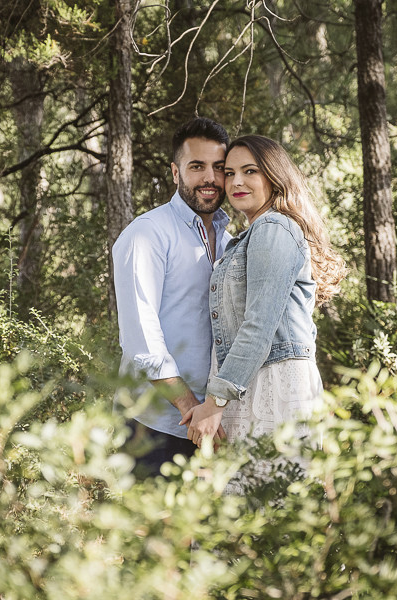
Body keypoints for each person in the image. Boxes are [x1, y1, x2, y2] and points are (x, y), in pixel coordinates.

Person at [180, 135, 346, 466]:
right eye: (229, 173)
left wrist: (214, 403)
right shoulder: (254, 235)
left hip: (275, 386)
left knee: (270, 506)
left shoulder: (273, 227)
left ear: (273, 176)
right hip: (250, 384)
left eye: (250, 171)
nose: (236, 181)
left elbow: (258, 327)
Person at [112, 117, 233, 478]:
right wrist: (192, 409)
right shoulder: (147, 234)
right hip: (154, 425)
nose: (209, 178)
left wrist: (211, 413)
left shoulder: (230, 241)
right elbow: (142, 342)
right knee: (149, 533)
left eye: (218, 168)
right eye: (197, 166)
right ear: (175, 172)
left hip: (211, 425)